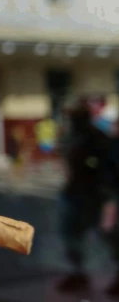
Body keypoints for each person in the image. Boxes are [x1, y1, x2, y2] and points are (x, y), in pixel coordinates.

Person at [57, 99, 112, 292]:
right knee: (71, 235)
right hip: (74, 193)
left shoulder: (96, 138)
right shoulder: (72, 137)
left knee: (106, 234)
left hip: (92, 195)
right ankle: (78, 273)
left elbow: (105, 167)